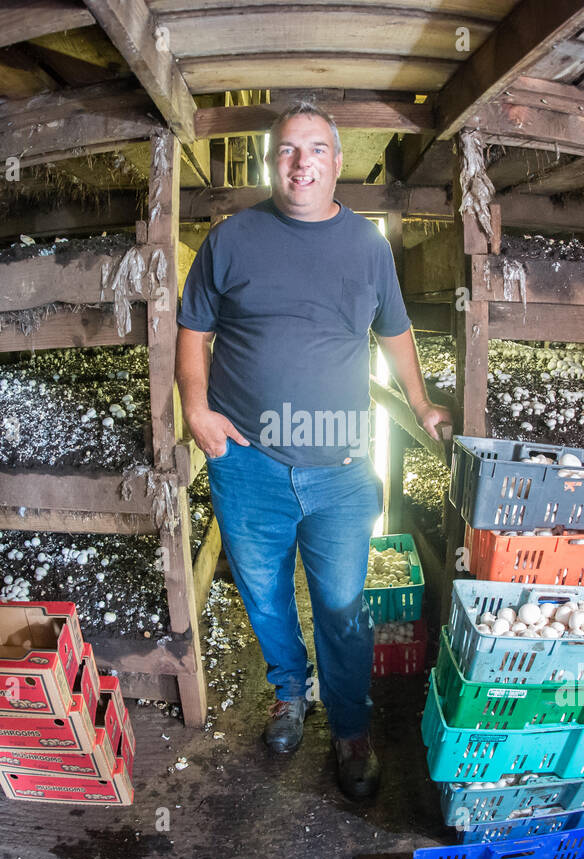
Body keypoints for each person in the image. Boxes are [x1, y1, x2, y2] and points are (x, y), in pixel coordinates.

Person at [175, 102, 451, 799]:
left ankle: (351, 726)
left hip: (343, 469)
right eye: (289, 151)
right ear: (275, 162)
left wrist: (419, 403)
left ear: (337, 160)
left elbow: (395, 332)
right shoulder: (231, 239)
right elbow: (191, 329)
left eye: (317, 150)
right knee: (264, 593)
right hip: (247, 464)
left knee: (343, 601)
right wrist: (196, 408)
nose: (302, 164)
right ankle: (290, 690)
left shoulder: (367, 246)